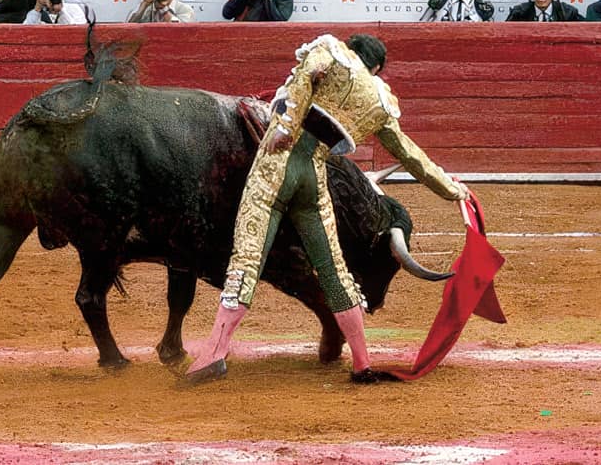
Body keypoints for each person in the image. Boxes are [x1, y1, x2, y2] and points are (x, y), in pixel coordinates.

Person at [183, 33, 469, 386]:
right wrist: (451, 189)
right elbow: (409, 154)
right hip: (313, 176)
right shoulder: (380, 99)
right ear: (377, 67)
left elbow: (307, 75)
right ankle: (362, 362)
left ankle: (214, 353)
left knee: (247, 256)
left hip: (276, 165)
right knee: (333, 267)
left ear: (353, 50)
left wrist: (286, 126)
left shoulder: (330, 51)